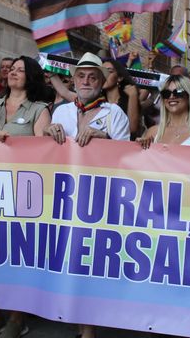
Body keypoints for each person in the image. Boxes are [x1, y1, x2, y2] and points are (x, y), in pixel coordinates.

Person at [44, 53, 129, 338]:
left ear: (102, 83)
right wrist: (48, 131)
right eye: (81, 76)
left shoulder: (114, 113)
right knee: (70, 260)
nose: (86, 81)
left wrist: (105, 139)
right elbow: (47, 152)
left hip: (99, 198)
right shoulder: (61, 112)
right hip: (65, 197)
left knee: (90, 262)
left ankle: (88, 330)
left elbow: (127, 158)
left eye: (93, 77)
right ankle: (82, 325)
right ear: (74, 80)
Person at [0, 56, 51, 338]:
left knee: (18, 255)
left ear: (31, 77)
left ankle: (17, 319)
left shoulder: (40, 109)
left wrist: (15, 144)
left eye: (21, 70)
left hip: (21, 190)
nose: (13, 73)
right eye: (12, 69)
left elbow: (44, 150)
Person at [137, 75, 190, 153]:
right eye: (166, 93)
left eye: (178, 92)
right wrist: (139, 147)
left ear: (189, 96)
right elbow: (140, 160)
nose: (171, 97)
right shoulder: (153, 132)